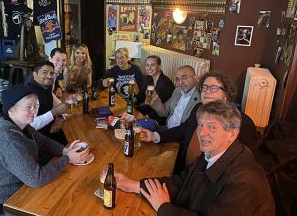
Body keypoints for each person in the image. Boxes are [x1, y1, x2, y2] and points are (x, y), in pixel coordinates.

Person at [116, 101, 275, 216]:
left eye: (212, 127)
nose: (202, 133)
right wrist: (135, 185)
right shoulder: (211, 154)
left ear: (231, 134)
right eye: (200, 125)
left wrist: (164, 207)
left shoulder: (243, 181)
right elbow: (181, 183)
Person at [0, 85, 90, 216]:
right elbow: (36, 179)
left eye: (36, 106)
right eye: (28, 107)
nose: (34, 111)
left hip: (21, 187)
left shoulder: (20, 124)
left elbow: (43, 142)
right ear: (11, 110)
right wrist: (68, 159)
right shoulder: (8, 139)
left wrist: (64, 151)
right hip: (4, 205)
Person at [141, 72, 259, 174]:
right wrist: (155, 136)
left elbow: (245, 165)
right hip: (185, 172)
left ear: (226, 96)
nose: (207, 91)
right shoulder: (199, 108)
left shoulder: (243, 123)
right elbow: (183, 129)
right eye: (205, 87)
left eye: (214, 88)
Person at [26, 60, 68, 144]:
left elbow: (61, 106)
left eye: (52, 73)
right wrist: (54, 112)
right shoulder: (28, 94)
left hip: (51, 133)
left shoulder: (47, 89)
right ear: (34, 75)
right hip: (35, 142)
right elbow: (29, 124)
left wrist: (59, 118)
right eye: (44, 72)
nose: (49, 76)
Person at [137, 55, 175, 125]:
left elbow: (160, 109)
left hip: (159, 118)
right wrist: (136, 92)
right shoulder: (148, 78)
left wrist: (146, 116)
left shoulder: (166, 84)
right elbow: (142, 97)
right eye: (147, 65)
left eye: (152, 65)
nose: (149, 68)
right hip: (148, 110)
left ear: (159, 66)